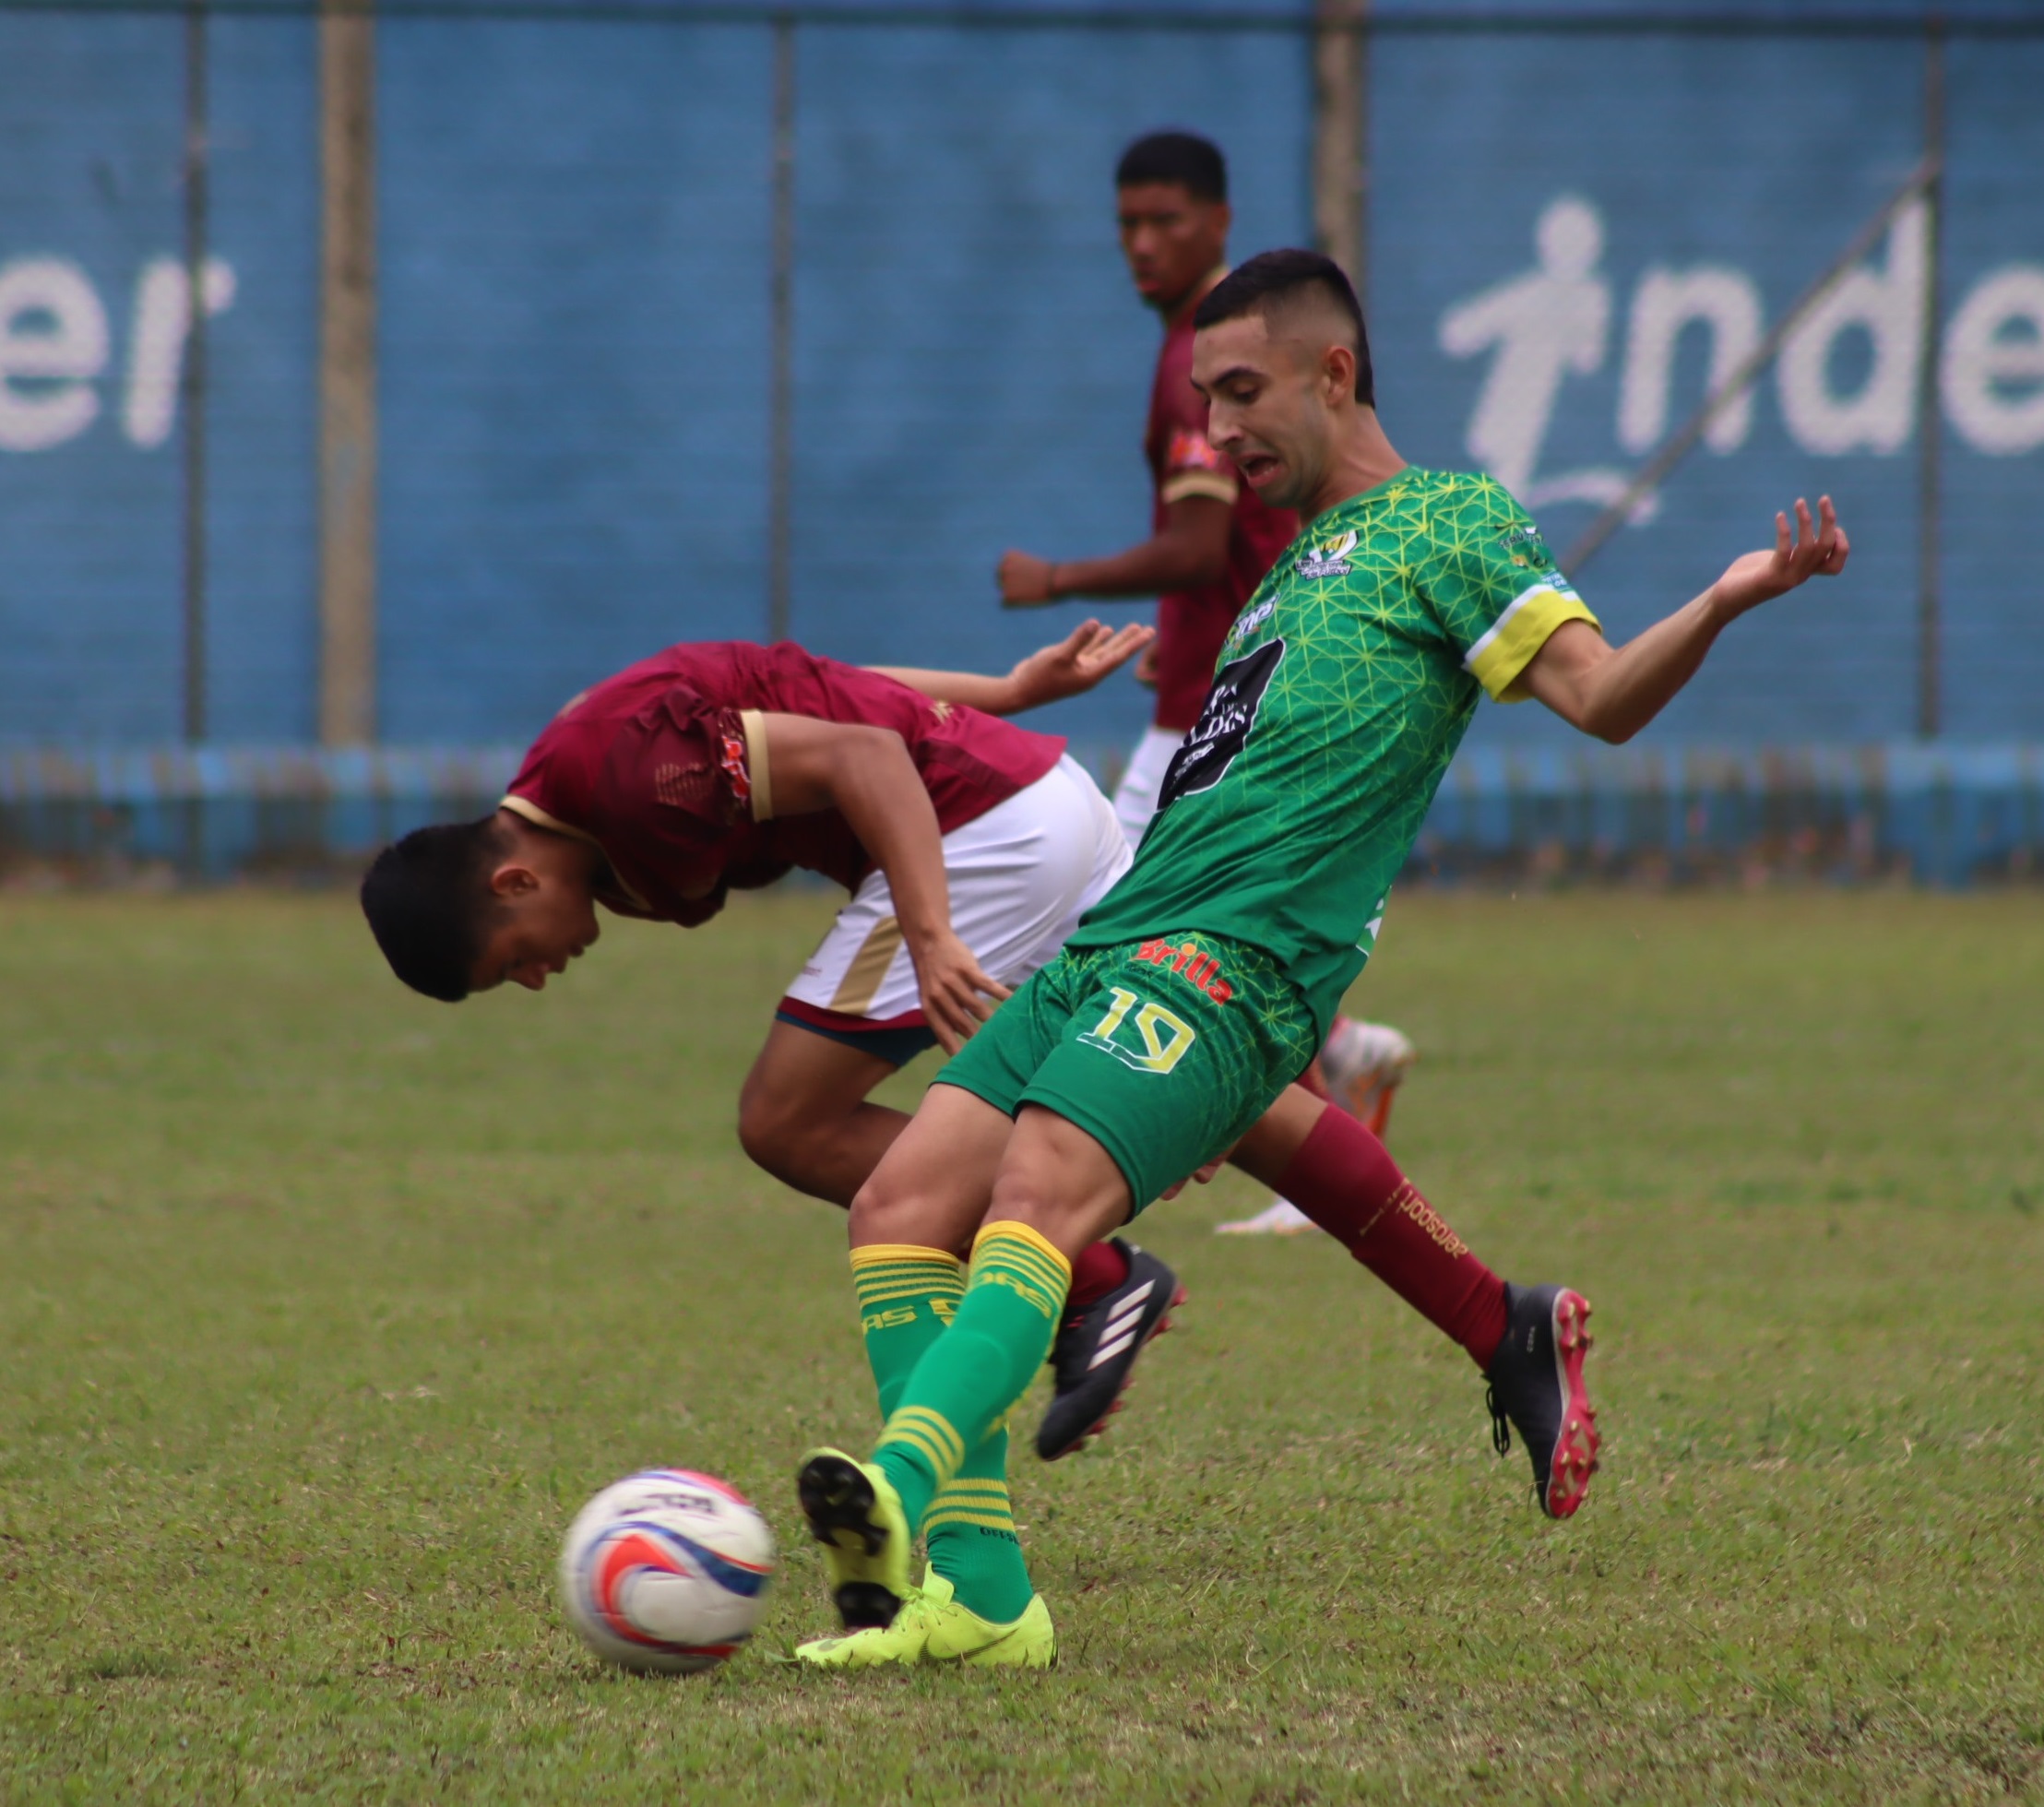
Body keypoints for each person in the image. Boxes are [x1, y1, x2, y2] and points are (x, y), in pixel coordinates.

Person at [790, 249, 1850, 1670]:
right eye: (1202, 401)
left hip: (1233, 967)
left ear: (1331, 374)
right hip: (1113, 943)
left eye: (1238, 394)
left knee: (1037, 1191)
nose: (1215, 433)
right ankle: (982, 1601)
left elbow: (1596, 698)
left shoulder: (1455, 520)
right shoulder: (1289, 565)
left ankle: (901, 1490)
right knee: (895, 1200)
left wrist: (1721, 600)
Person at [357, 618, 1580, 1646]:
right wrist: (999, 694)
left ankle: (1097, 1281)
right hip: (1024, 802)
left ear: (510, 883)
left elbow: (861, 756)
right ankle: (1496, 1316)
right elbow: (805, 683)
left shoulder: (628, 782)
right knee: (1239, 1098)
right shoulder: (581, 780)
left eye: (511, 964)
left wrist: (934, 932)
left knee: (786, 1117)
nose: (537, 977)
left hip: (978, 837)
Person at [996, 129, 1418, 1235]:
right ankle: (1335, 1066)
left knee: (1109, 931)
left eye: (1166, 221)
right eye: (1127, 223)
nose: (1142, 244)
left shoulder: (1214, 368)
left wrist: (1056, 579)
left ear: (1220, 225)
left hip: (1213, 704)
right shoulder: (1193, 362)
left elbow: (1195, 548)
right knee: (1157, 932)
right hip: (1201, 693)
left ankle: (1269, 1141)